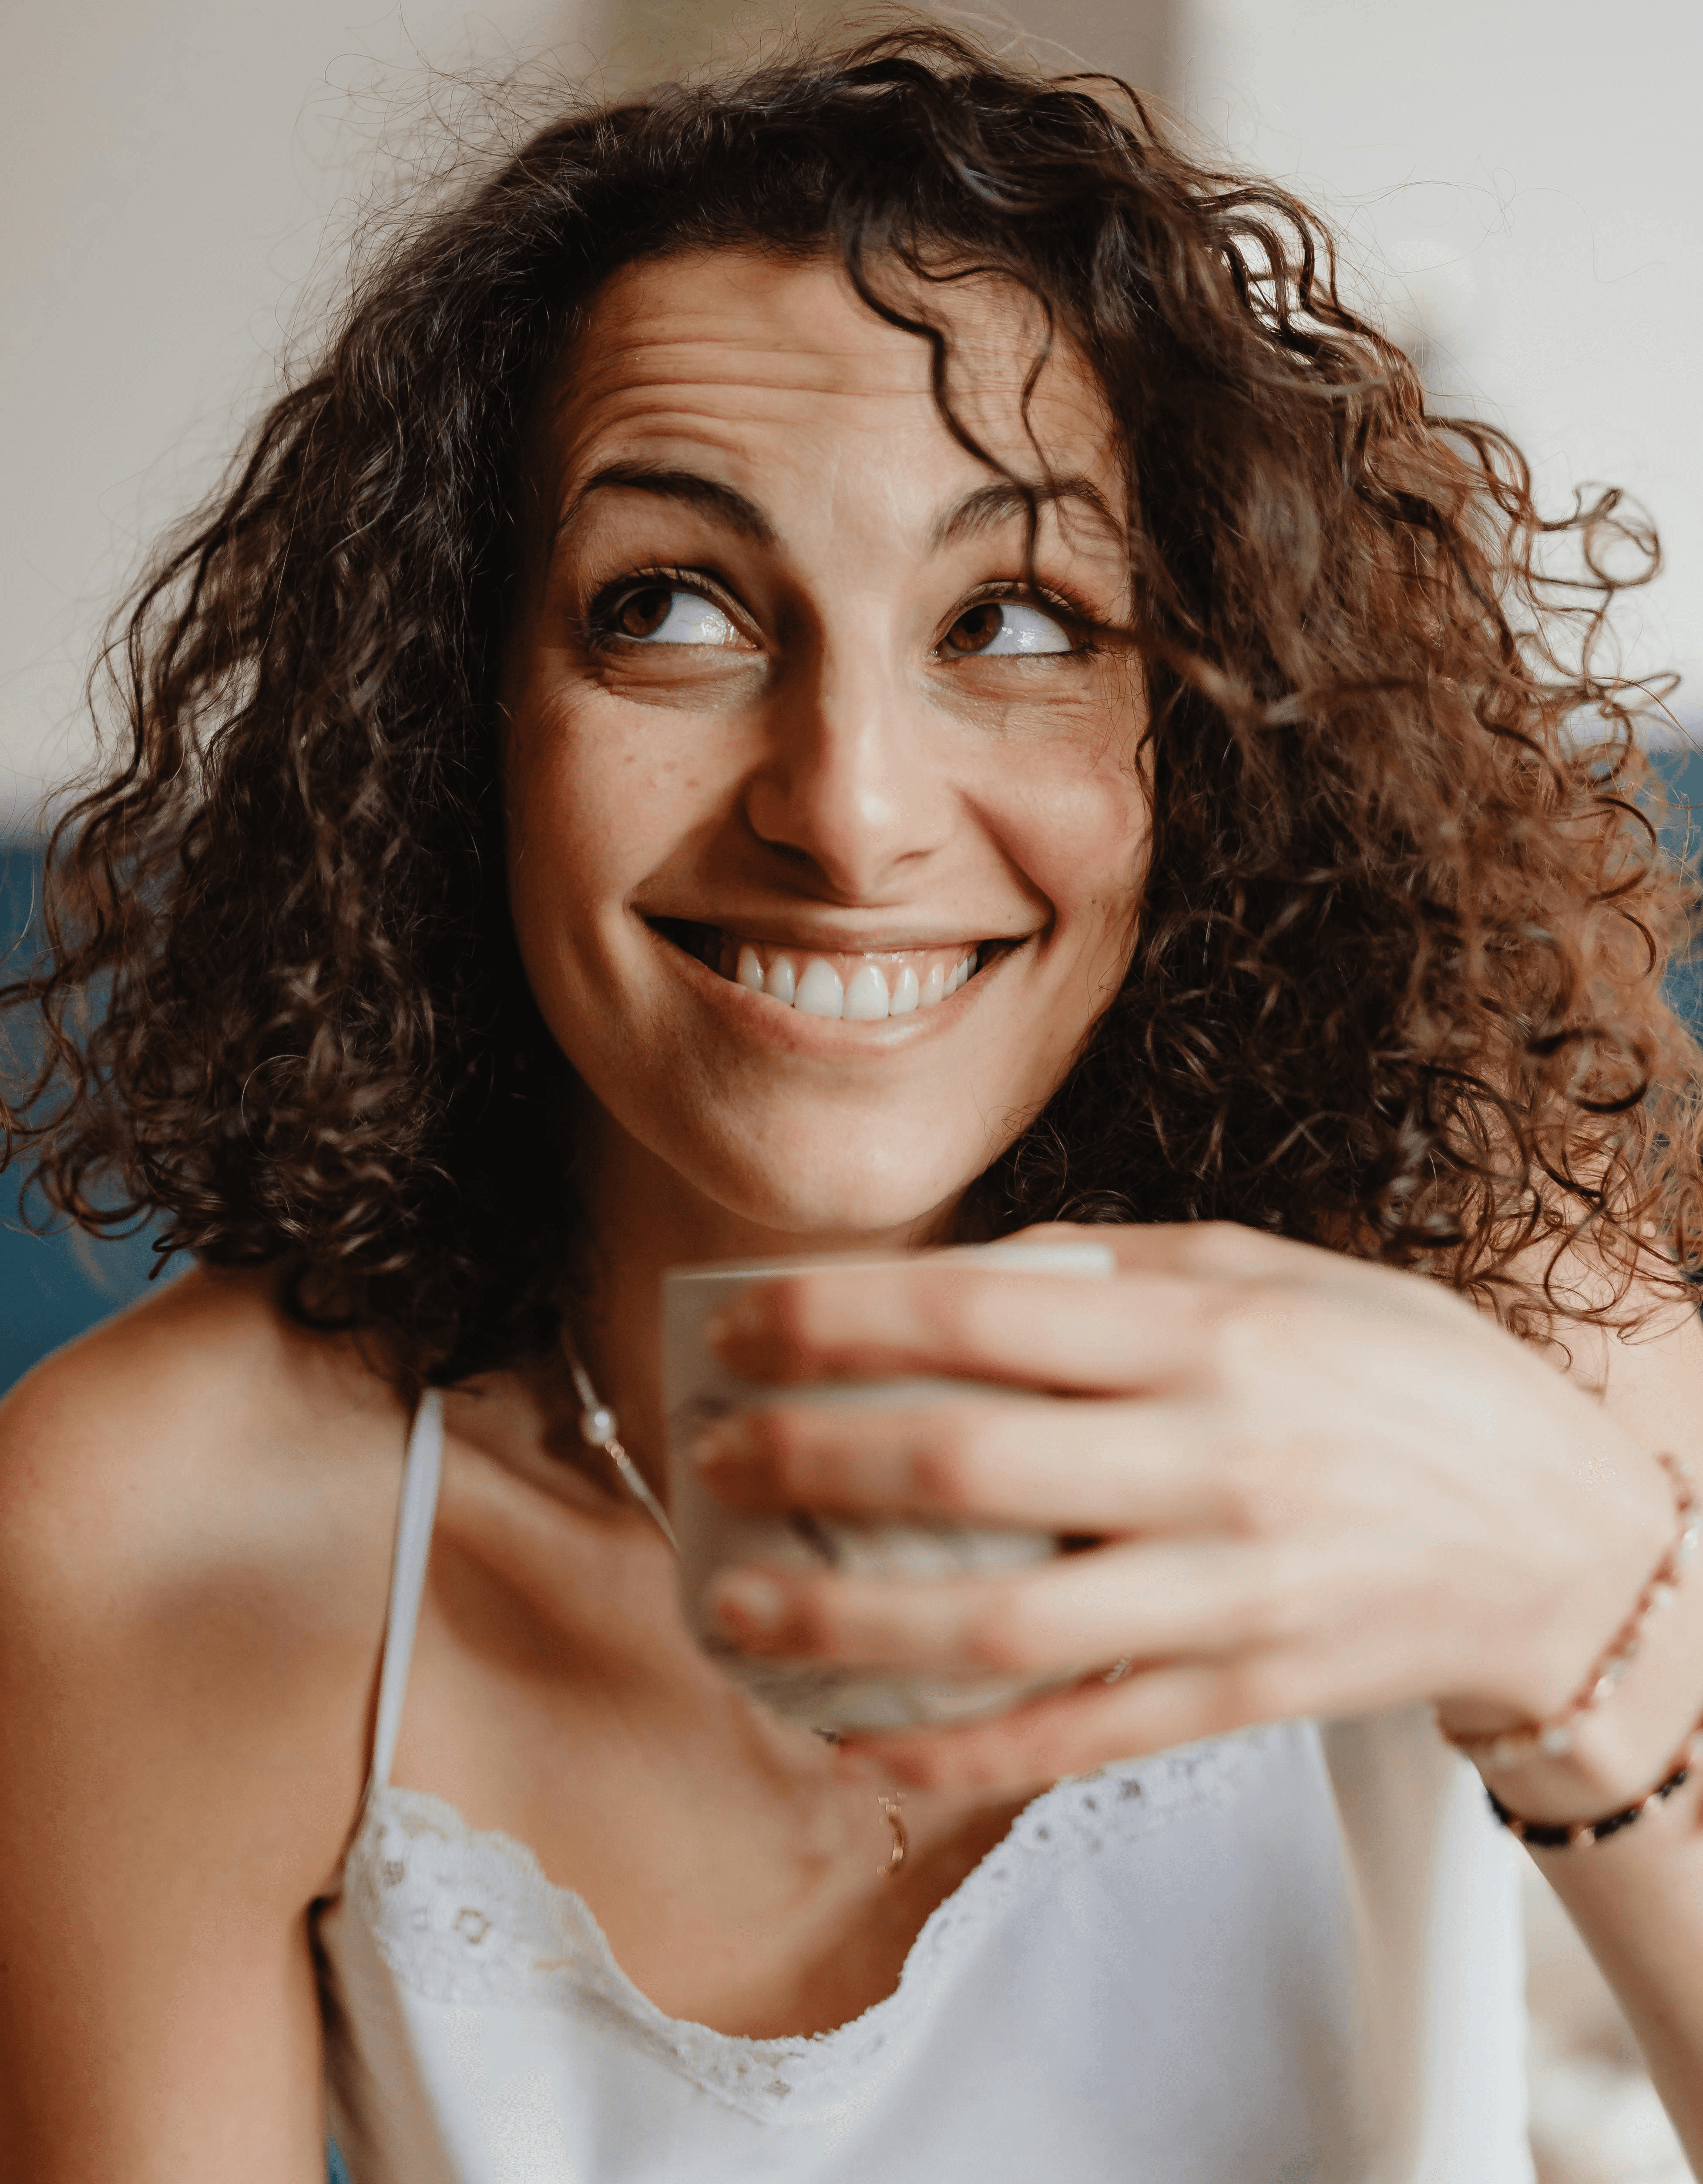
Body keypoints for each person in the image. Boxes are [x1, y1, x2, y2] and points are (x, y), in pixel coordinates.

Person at [3, 27, 1702, 2182]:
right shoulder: (160, 1533)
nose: (852, 811)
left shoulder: (1519, 1351)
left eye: (1015, 616)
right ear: (456, 721)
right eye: (676, 609)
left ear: (1213, 739)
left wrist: (1578, 1617)